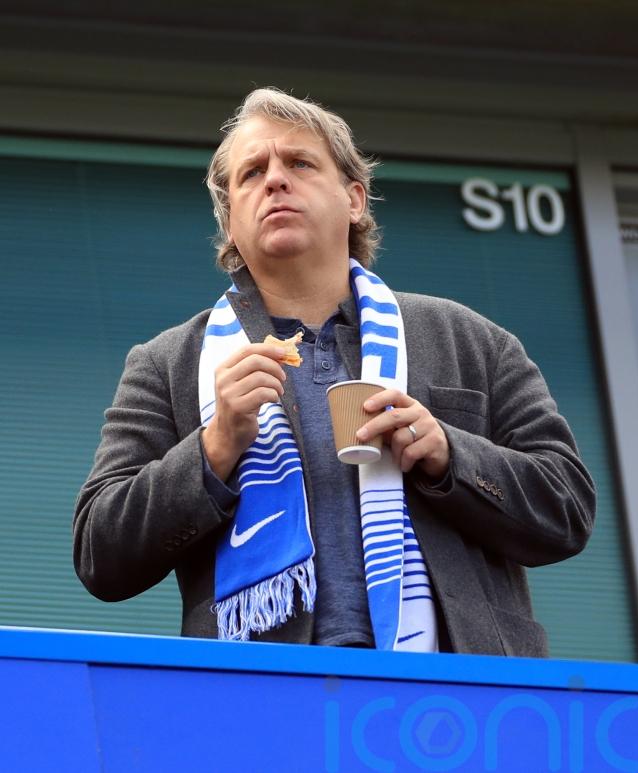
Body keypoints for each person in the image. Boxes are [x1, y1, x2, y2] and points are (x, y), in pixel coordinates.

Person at [73, 88, 595, 655]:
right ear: (231, 223)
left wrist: (450, 453)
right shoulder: (168, 363)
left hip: (449, 689)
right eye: (252, 173)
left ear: (354, 200)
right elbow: (101, 555)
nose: (275, 180)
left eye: (300, 163)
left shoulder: (471, 339)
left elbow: (566, 507)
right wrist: (214, 446)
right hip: (258, 691)